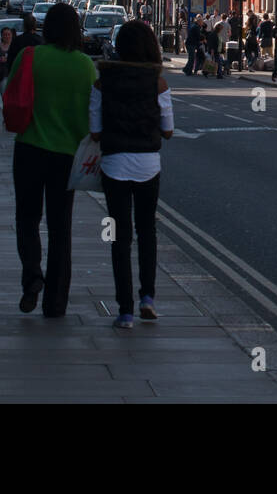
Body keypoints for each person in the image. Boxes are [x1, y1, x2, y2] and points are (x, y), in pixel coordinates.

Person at [9, 3, 96, 317]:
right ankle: (56, 301)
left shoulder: (30, 56)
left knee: (27, 220)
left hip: (29, 149)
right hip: (66, 156)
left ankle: (33, 276)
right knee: (61, 228)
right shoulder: (85, 66)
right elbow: (93, 115)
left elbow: (11, 93)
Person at [90, 21, 173, 329]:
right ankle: (147, 298)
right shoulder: (159, 84)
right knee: (147, 232)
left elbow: (95, 133)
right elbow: (168, 131)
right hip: (148, 164)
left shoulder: (102, 83)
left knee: (120, 238)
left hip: (114, 165)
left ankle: (125, 311)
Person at [0, 26, 15, 92]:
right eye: (5, 34)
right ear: (1, 36)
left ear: (11, 35)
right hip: (0, 76)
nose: (7, 36)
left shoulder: (15, 47)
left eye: (9, 34)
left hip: (12, 75)